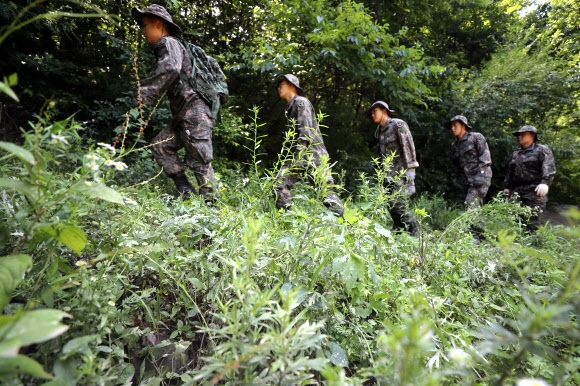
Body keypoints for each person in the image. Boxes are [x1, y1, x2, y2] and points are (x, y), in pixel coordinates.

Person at [132, 4, 220, 201]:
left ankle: (213, 211)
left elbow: (170, 68)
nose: (143, 31)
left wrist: (141, 95)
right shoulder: (174, 46)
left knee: (199, 161)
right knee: (160, 145)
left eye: (145, 25)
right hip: (184, 115)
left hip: (194, 113)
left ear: (158, 24)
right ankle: (184, 189)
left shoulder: (169, 43)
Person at [273, 74, 344, 216]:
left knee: (325, 192)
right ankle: (285, 219)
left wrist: (297, 156)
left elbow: (305, 132)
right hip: (303, 155)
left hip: (312, 155)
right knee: (279, 183)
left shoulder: (300, 102)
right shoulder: (290, 107)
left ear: (292, 85)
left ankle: (345, 222)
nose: (278, 87)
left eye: (282, 84)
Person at [369, 101, 419, 235]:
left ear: (384, 111)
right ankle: (400, 232)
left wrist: (411, 171)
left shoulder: (398, 125)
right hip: (387, 175)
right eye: (372, 113)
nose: (373, 115)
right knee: (390, 206)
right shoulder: (379, 131)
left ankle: (414, 228)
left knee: (397, 204)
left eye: (375, 112)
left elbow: (408, 147)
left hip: (401, 174)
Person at [503, 125, 556, 232]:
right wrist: (507, 187)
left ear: (533, 136)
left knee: (533, 222)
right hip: (517, 191)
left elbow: (549, 168)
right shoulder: (516, 153)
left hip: (534, 191)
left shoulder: (542, 150)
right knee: (513, 218)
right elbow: (510, 172)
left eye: (523, 134)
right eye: (518, 135)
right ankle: (514, 244)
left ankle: (534, 245)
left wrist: (545, 183)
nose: (519, 137)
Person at [447, 115, 492, 208]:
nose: (452, 128)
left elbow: (485, 159)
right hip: (467, 180)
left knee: (471, 204)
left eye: (455, 125)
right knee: (472, 209)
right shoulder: (456, 145)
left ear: (463, 125)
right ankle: (479, 223)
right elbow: (456, 165)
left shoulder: (475, 137)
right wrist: (456, 179)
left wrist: (481, 175)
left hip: (480, 177)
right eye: (451, 126)